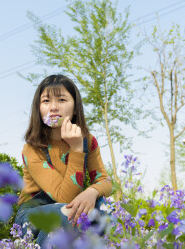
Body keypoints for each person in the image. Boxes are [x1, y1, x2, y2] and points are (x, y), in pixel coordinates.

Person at [14, 74, 112, 246]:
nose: (53, 107)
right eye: (46, 101)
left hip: (67, 212)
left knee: (103, 208)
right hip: (31, 215)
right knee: (65, 213)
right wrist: (75, 149)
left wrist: (91, 192)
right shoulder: (32, 149)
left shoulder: (88, 141)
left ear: (75, 108)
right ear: (39, 109)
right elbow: (64, 197)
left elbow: (104, 180)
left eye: (61, 100)